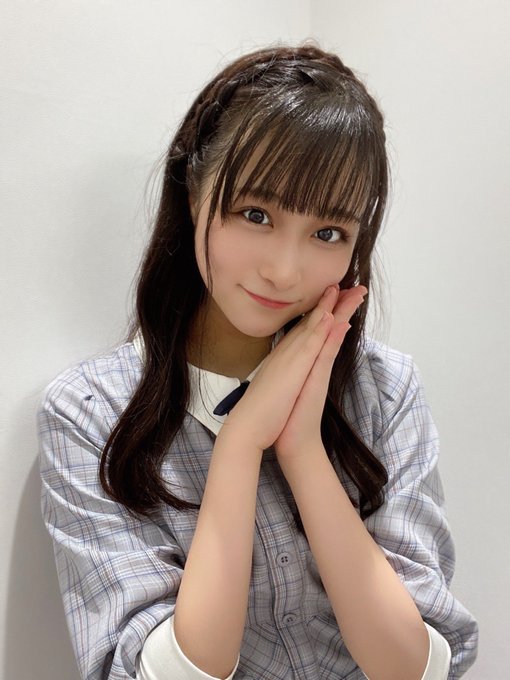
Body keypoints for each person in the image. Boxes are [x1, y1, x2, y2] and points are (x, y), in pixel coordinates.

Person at [38, 44, 478, 680]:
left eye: (328, 233)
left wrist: (302, 448)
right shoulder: (91, 414)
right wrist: (240, 443)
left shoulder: (383, 389)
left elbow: (414, 667)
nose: (284, 270)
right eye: (255, 214)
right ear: (194, 194)